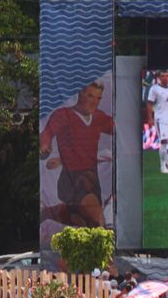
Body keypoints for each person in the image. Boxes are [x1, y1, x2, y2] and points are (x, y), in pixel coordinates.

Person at [41, 81, 116, 228]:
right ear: (80, 94)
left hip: (92, 178)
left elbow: (120, 129)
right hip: (73, 177)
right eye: (90, 96)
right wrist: (44, 145)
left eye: (98, 98)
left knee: (86, 222)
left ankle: (52, 212)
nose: (94, 101)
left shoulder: (98, 117)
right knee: (97, 222)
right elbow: (47, 134)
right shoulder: (64, 115)